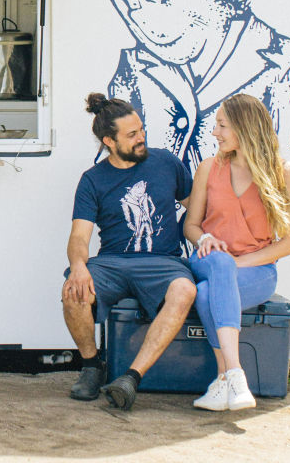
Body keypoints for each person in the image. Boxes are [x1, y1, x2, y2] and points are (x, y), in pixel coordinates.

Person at [62, 93, 198, 411]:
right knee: (73, 289)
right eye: (132, 134)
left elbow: (198, 211)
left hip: (163, 261)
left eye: (141, 130)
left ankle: (130, 378)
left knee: (185, 290)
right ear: (109, 140)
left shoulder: (167, 163)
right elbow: (79, 236)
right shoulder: (93, 180)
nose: (141, 139)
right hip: (113, 261)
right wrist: (78, 266)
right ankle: (92, 366)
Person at [182, 93, 290, 411]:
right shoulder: (209, 168)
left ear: (245, 128)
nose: (214, 133)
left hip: (258, 270)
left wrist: (238, 263)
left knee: (207, 296)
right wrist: (205, 237)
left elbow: (288, 243)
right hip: (208, 260)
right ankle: (236, 374)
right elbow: (191, 226)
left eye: (221, 125)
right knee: (219, 264)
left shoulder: (286, 173)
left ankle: (223, 381)